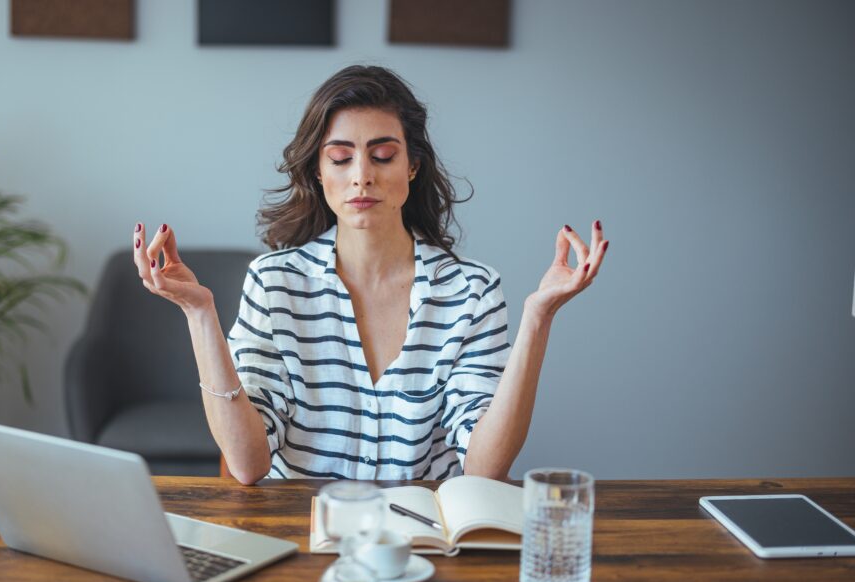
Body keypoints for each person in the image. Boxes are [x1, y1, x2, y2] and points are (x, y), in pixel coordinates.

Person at [131, 65, 608, 485]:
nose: (362, 175)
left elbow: (483, 469)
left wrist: (538, 319)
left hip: (423, 549)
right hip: (304, 541)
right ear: (318, 171)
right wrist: (199, 313)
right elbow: (248, 463)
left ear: (413, 165)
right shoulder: (274, 283)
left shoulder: (472, 291)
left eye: (382, 156)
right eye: (340, 158)